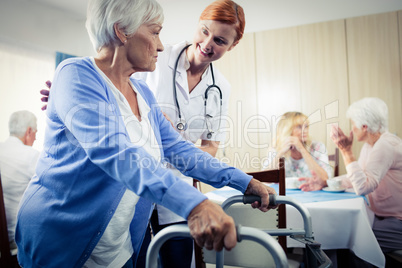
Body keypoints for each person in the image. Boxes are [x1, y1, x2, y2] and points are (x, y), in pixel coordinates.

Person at [16, 0, 276, 267]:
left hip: (119, 245)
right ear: (122, 31)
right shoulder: (75, 74)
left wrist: (245, 182)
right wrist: (195, 205)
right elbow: (118, 153)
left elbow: (182, 151)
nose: (161, 45)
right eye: (155, 32)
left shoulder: (144, 94)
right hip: (62, 242)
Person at [300, 97, 402, 252]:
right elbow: (356, 177)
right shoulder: (371, 145)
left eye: (354, 124)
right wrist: (325, 183)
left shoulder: (385, 145)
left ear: (364, 126)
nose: (352, 129)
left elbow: (362, 187)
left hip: (396, 222)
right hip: (382, 216)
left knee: (344, 236)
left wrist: (346, 151)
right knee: (340, 234)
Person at [0, 110, 40, 252]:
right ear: (29, 131)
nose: (35, 138)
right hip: (20, 246)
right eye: (36, 132)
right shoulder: (31, 156)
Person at [263, 111, 333, 181]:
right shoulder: (276, 147)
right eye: (299, 127)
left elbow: (326, 178)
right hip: (284, 192)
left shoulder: (317, 147)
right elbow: (264, 179)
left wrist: (302, 149)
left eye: (306, 126)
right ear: (288, 129)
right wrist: (280, 153)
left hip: (312, 191)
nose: (305, 130)